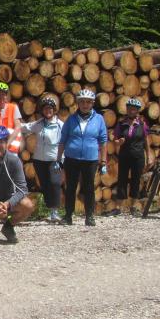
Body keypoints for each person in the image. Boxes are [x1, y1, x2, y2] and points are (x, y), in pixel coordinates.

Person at [56, 89, 108, 227]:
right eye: (82, 102)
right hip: (72, 158)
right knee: (71, 187)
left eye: (88, 102)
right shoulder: (71, 119)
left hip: (90, 159)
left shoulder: (99, 119)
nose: (85, 105)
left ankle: (89, 216)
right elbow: (63, 139)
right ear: (78, 103)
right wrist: (58, 159)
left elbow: (103, 141)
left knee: (89, 188)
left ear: (92, 103)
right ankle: (68, 216)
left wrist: (103, 161)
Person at [19, 96, 64, 222]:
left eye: (50, 108)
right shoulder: (39, 124)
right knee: (45, 185)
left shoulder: (60, 125)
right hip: (39, 159)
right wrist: (11, 123)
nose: (48, 111)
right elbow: (25, 127)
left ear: (54, 110)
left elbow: (63, 143)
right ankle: (50, 210)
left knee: (54, 184)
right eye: (45, 109)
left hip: (54, 159)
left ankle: (55, 212)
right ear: (42, 110)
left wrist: (61, 160)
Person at [111, 97, 150, 215]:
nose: (131, 111)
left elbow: (146, 141)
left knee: (136, 180)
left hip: (138, 155)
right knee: (122, 179)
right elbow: (114, 137)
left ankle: (133, 206)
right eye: (129, 109)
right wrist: (118, 142)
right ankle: (118, 207)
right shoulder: (121, 124)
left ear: (137, 111)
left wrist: (149, 155)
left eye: (133, 109)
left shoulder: (142, 124)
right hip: (124, 155)